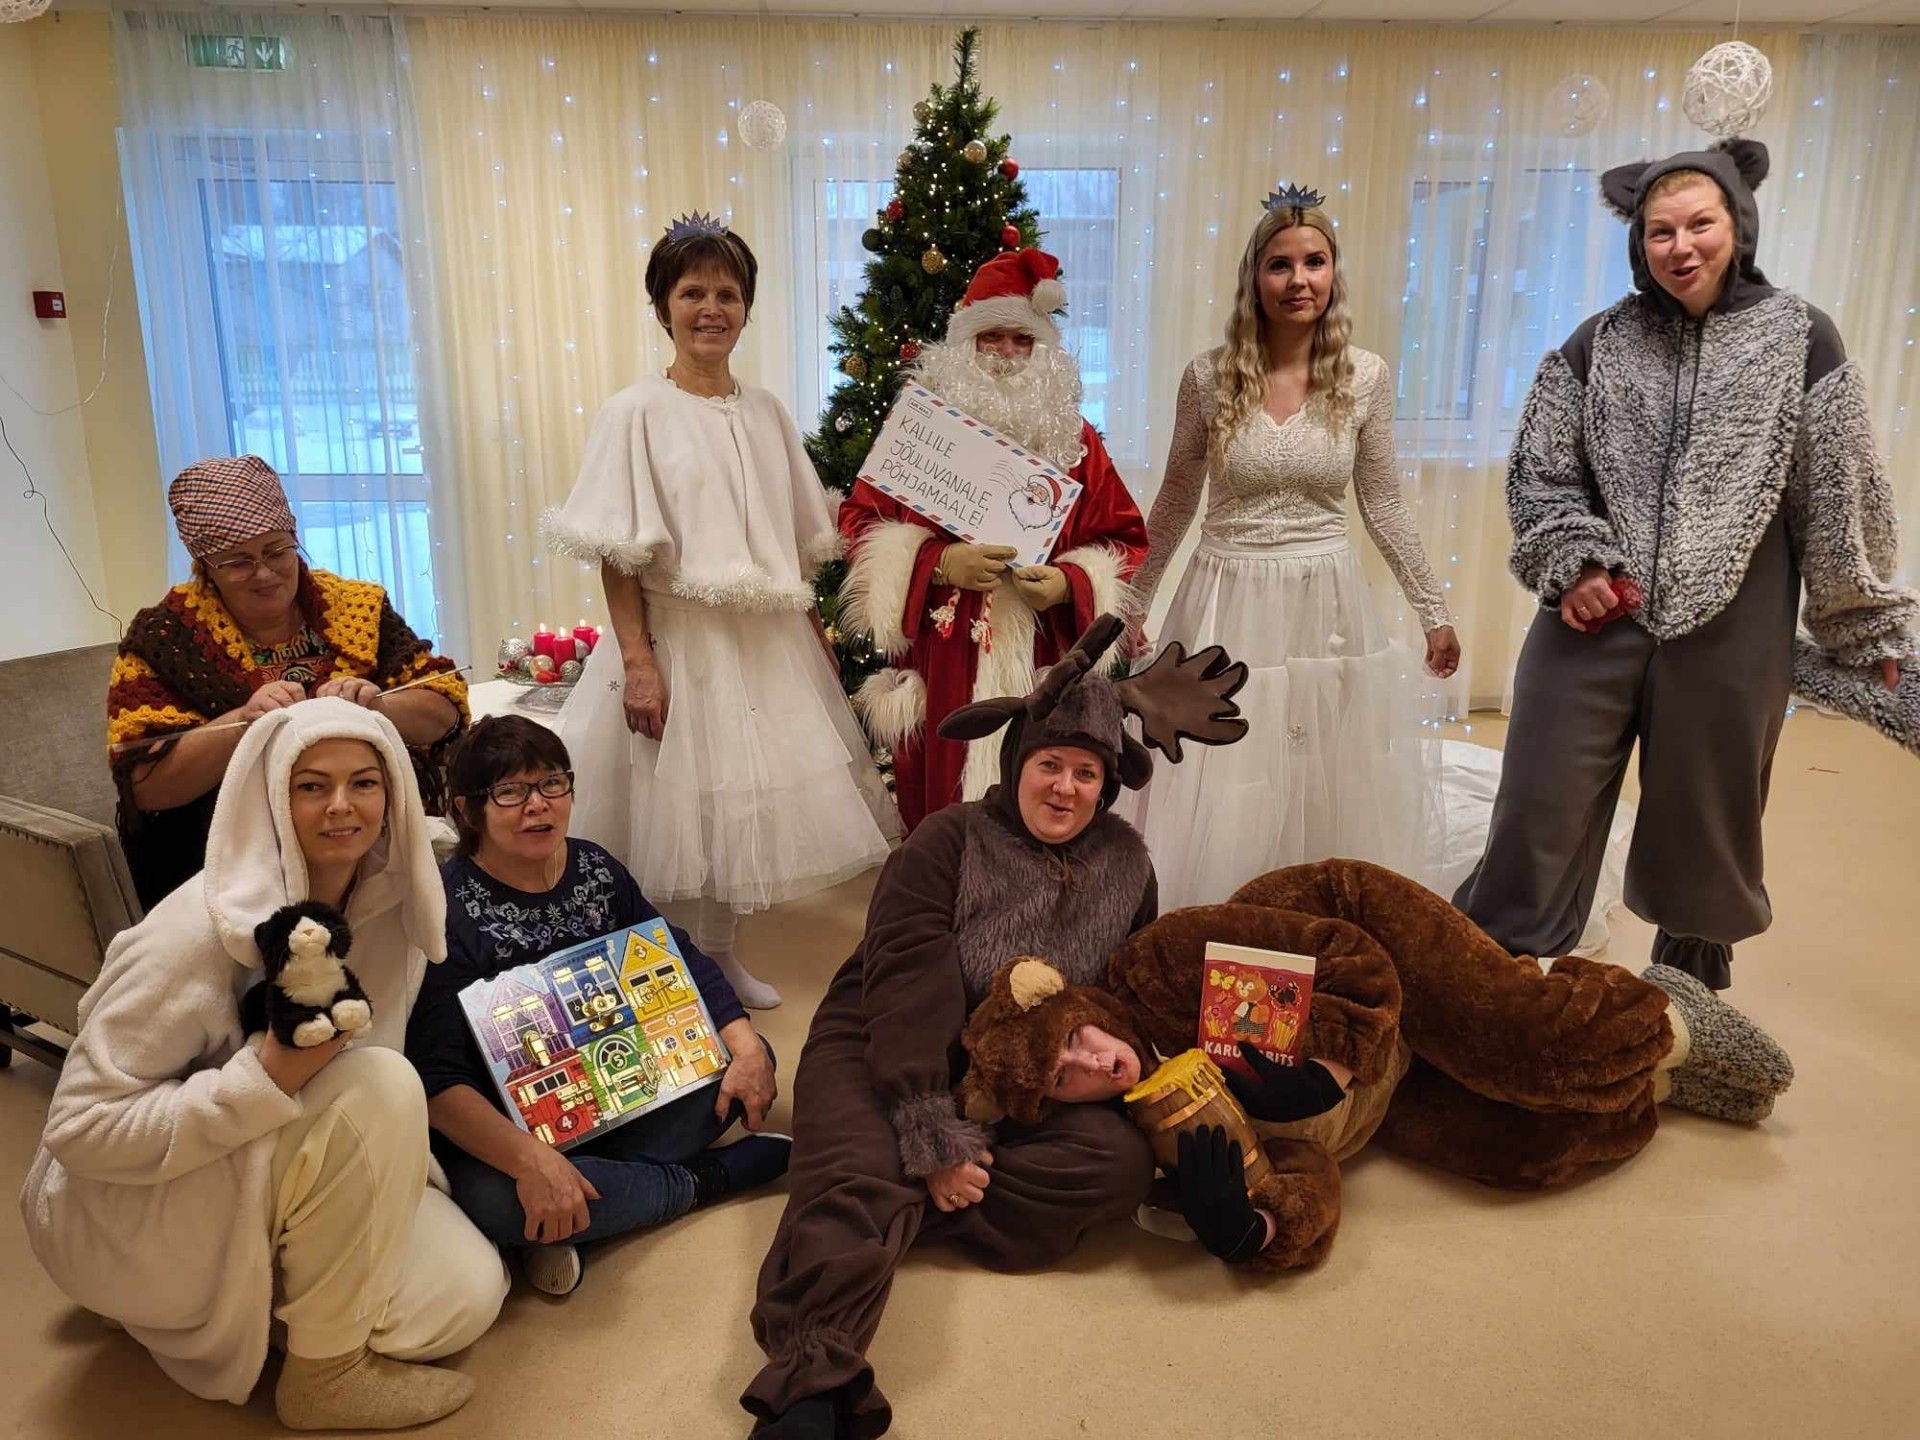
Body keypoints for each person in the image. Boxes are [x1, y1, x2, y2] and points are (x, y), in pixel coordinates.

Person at [742, 615, 1247, 1439]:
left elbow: (1128, 991)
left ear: (1106, 785)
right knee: (855, 1178)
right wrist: (928, 1129)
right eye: (1049, 764)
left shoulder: (1128, 863)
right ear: (1016, 763)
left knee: (1114, 1167)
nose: (1065, 788)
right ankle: (812, 1375)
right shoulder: (948, 839)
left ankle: (888, 1210)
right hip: (886, 1042)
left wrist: (1142, 1058)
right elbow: (906, 979)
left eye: (1086, 772)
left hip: (1019, 1071)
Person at [1452, 139, 1918, 991]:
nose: (1681, 246)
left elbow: (1839, 495)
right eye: (1660, 230)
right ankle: (1494, 998)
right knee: (1536, 813)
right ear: (1640, 241)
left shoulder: (1801, 337)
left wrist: (1866, 628)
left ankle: (1688, 1008)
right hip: (1592, 624)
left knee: (1708, 839)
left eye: (1700, 224)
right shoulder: (1598, 342)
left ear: (1738, 225)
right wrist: (1574, 562)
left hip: (1734, 633)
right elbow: (1541, 476)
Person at [21, 699, 507, 1431]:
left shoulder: (387, 907)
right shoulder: (194, 935)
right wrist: (267, 1077)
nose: (341, 806)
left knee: (462, 1298)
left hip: (266, 1166)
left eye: (364, 783)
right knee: (382, 1081)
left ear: (394, 795)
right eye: (311, 785)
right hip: (130, 1197)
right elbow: (80, 1129)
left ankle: (224, 1306)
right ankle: (323, 1375)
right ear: (273, 796)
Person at [962, 858, 1795, 1272]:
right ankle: (1659, 1079)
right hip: (1375, 1090)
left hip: (1362, 945)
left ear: (1075, 1003)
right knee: (1522, 1154)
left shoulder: (1157, 967)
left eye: (1074, 1036)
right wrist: (1250, 1230)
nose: (1092, 1060)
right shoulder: (1152, 1137)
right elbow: (1305, 1172)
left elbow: (1351, 960)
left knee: (1532, 1047)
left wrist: (1323, 1070)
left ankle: (1666, 1013)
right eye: (1065, 1075)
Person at [544, 215, 895, 1012]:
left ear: (746, 308)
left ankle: (719, 960)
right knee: (662, 812)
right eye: (692, 293)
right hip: (673, 638)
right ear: (661, 307)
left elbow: (794, 543)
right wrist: (639, 661)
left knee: (738, 814)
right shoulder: (634, 411)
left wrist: (813, 641)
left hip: (762, 643)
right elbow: (618, 552)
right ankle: (659, 972)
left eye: (727, 294)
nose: (711, 309)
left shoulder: (766, 411)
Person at [1123, 187, 1460, 910]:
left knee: (1317, 753)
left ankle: (1312, 905)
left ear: (1334, 273)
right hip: (1226, 595)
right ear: (1255, 277)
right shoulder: (1208, 379)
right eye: (1280, 264)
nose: (1298, 280)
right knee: (1227, 752)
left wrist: (1433, 610)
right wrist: (1133, 601)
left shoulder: (1365, 377)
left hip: (1323, 600)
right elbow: (1176, 500)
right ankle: (1221, 902)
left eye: (1314, 262)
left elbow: (1383, 503)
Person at [405, 715, 792, 1298]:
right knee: (492, 1203)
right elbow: (436, 1080)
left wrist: (745, 1048)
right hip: (512, 1123)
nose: (538, 805)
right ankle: (705, 1179)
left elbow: (672, 953)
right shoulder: (442, 909)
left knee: (750, 1056)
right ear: (467, 809)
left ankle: (581, 1209)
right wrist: (532, 1163)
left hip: (627, 1083)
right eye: (510, 792)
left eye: (552, 783)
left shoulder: (595, 866)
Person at [838, 246, 1149, 830]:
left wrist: (1069, 582)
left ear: (1042, 351)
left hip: (1040, 651)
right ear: (965, 344)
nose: (1006, 354)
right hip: (945, 650)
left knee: (1041, 785)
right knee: (942, 796)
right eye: (991, 338)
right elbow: (860, 520)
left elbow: (1124, 539)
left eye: (1022, 340)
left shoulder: (1076, 440)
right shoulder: (919, 433)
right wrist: (936, 561)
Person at [109, 455, 467, 912]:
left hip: (372, 849)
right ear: (205, 565)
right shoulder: (166, 636)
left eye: (277, 551)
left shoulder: (357, 607)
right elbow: (145, 786)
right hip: (230, 868)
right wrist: (244, 723)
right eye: (238, 562)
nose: (264, 572)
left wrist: (379, 708)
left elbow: (444, 708)